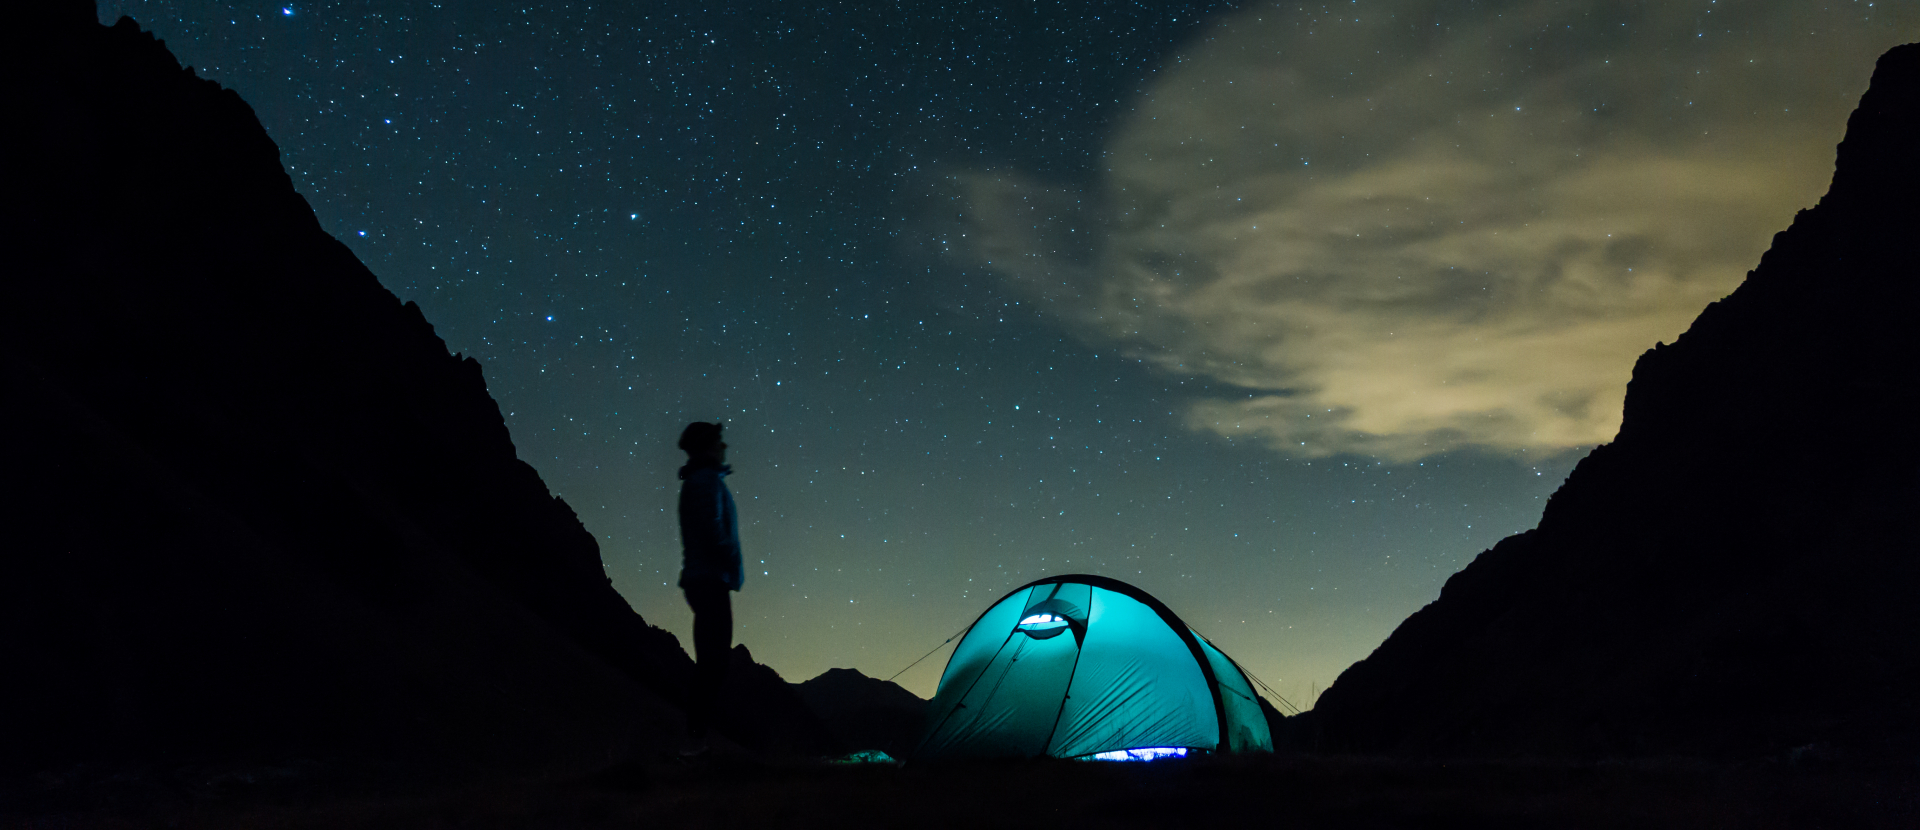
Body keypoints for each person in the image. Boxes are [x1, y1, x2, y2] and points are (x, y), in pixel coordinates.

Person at [676, 421, 743, 750]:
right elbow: (713, 532)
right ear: (707, 446)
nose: (724, 446)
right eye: (718, 441)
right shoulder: (704, 483)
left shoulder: (704, 481)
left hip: (707, 579)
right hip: (710, 580)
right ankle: (695, 741)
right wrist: (730, 558)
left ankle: (696, 740)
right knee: (713, 662)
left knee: (713, 661)